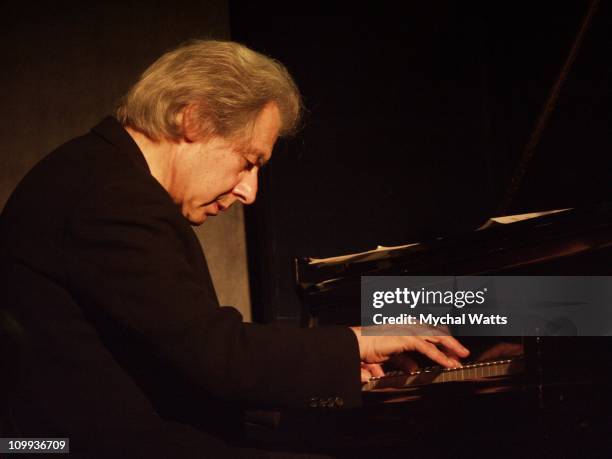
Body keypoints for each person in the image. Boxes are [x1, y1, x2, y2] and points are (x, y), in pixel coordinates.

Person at [0, 40, 468, 458]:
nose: (250, 192)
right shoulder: (112, 198)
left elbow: (169, 363)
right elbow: (215, 355)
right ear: (195, 118)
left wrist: (340, 370)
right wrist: (356, 343)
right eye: (248, 162)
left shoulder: (99, 176)